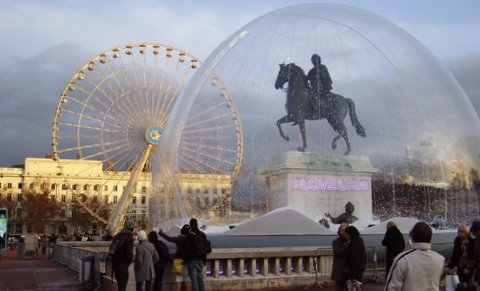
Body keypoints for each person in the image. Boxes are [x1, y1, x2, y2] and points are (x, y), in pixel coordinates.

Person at [385, 221, 444, 290]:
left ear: (412, 237)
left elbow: (391, 288)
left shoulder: (402, 259)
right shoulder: (439, 259)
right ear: (430, 237)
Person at [159, 224, 191, 291]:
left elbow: (169, 239)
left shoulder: (179, 239)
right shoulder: (190, 240)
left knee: (178, 278)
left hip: (178, 260)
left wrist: (161, 233)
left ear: (181, 232)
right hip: (188, 260)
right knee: (188, 278)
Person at [110, 219, 135, 291]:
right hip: (123, 264)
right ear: (132, 228)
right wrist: (130, 261)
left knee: (120, 284)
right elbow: (129, 253)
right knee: (122, 285)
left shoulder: (117, 235)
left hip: (115, 263)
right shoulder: (129, 237)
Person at [448, 224, 474, 288]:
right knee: (463, 282)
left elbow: (474, 253)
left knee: (470, 282)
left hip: (470, 265)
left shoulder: (472, 241)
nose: (460, 233)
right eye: (459, 232)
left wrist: (468, 254)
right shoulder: (457, 240)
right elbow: (454, 253)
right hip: (460, 265)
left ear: (466, 232)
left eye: (462, 231)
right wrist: (451, 264)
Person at [187, 218, 208, 291]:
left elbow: (187, 248)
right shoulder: (202, 234)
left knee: (194, 279)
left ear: (190, 225)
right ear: (197, 224)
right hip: (200, 259)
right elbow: (205, 248)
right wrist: (204, 260)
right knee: (200, 278)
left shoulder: (189, 235)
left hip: (192, 260)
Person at [344, 225, 366, 290]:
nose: (346, 236)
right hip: (357, 272)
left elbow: (355, 261)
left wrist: (352, 275)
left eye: (346, 234)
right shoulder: (358, 242)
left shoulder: (354, 245)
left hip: (354, 273)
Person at [331, 223, 349, 291]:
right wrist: (346, 245)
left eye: (346, 230)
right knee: (339, 287)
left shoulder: (351, 241)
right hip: (339, 270)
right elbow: (337, 252)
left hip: (349, 270)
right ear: (339, 231)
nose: (344, 232)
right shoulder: (336, 241)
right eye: (342, 230)